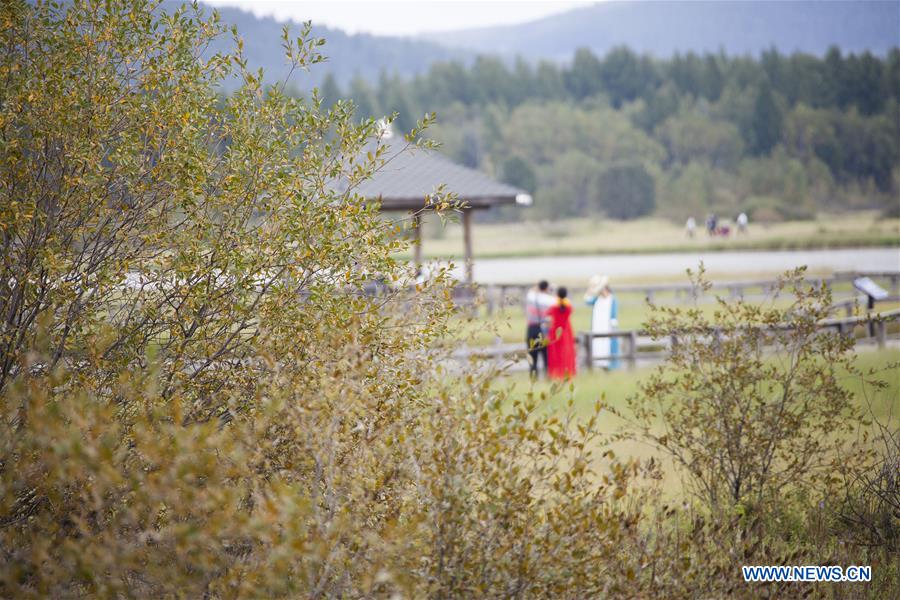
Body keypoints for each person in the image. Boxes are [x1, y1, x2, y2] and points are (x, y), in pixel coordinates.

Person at [584, 275, 618, 369]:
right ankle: (599, 364)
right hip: (597, 326)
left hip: (607, 327)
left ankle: (610, 365)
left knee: (608, 346)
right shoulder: (597, 299)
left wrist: (613, 327)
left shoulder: (612, 299)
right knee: (597, 344)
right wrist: (590, 289)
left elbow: (614, 315)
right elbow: (587, 301)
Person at [524, 280, 554, 377]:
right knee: (546, 356)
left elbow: (532, 290)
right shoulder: (549, 300)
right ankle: (547, 376)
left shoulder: (531, 296)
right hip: (543, 329)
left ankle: (533, 377)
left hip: (531, 328)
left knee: (532, 355)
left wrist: (537, 287)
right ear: (546, 288)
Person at [546, 287, 576, 379]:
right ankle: (568, 372)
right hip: (566, 332)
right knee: (567, 353)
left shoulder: (554, 307)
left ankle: (556, 373)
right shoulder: (569, 307)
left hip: (555, 332)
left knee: (555, 354)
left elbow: (547, 314)